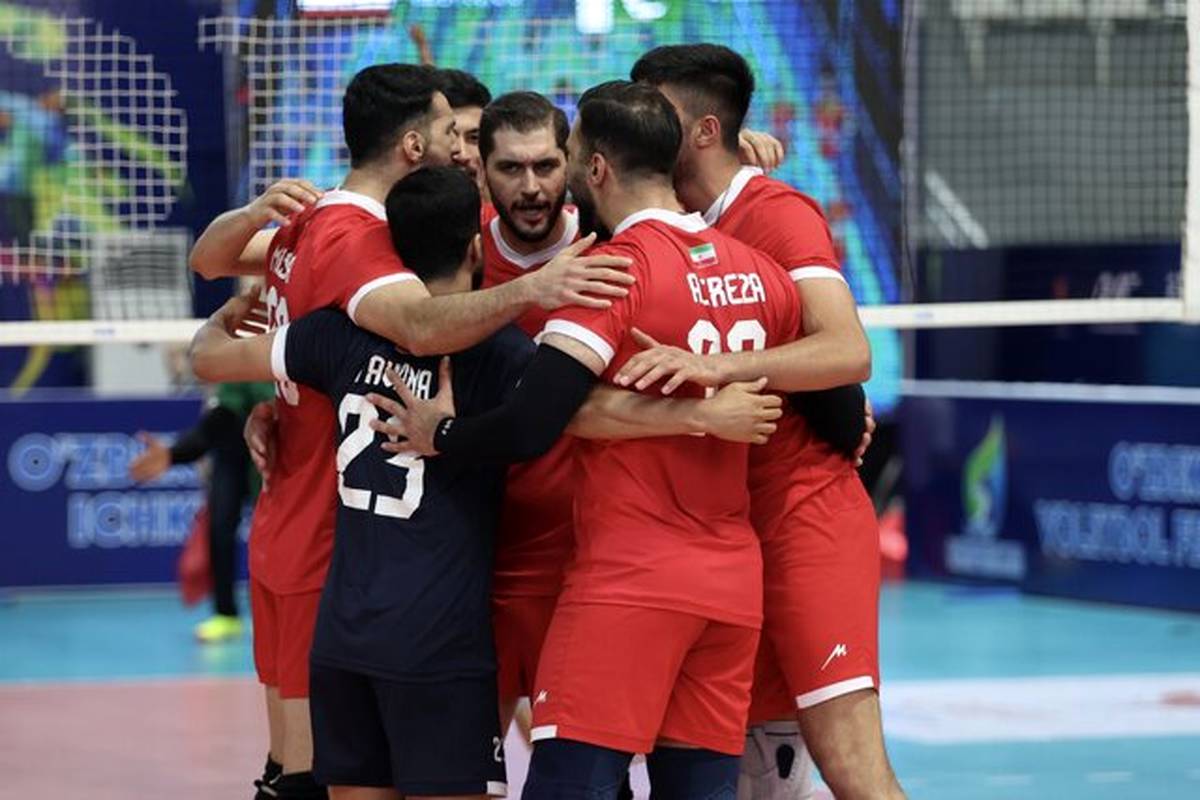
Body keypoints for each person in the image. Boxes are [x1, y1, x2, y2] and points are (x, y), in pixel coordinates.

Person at [191, 166, 784, 800]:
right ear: (476, 249)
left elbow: (209, 359)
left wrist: (221, 325)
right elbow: (575, 413)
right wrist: (700, 415)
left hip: (345, 634)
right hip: (440, 639)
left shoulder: (332, 336)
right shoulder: (494, 355)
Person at [187, 63, 633, 800]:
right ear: (417, 147)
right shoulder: (373, 253)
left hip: (334, 557)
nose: (465, 150)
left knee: (298, 769)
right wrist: (535, 291)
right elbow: (426, 329)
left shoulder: (321, 246)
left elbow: (210, 283)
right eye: (455, 133)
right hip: (367, 559)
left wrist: (256, 368)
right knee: (306, 773)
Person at [370, 80, 804, 798]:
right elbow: (832, 396)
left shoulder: (609, 272)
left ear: (593, 167)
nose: (544, 181)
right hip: (729, 578)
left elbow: (533, 420)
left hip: (628, 576)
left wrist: (440, 432)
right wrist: (708, 408)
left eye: (561, 158)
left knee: (569, 785)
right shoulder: (761, 272)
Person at [629, 43, 903, 800]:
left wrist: (719, 366)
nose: (640, 124)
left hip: (804, 519)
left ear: (703, 130)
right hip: (725, 535)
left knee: (852, 766)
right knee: (756, 776)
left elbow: (847, 350)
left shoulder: (776, 214)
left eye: (658, 112)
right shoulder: (669, 219)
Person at [128, 380, 273, 642]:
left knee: (276, 537)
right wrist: (175, 453)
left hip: (276, 455)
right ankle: (225, 614)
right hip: (231, 455)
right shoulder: (234, 377)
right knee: (219, 529)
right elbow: (222, 417)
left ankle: (279, 612)